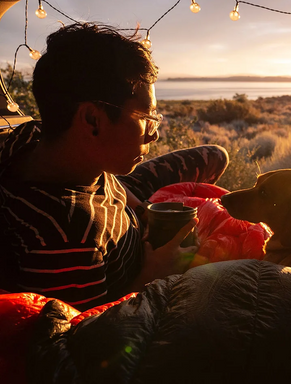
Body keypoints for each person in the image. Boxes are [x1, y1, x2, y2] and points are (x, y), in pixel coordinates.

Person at [0, 23, 229, 310]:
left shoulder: (32, 137)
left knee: (215, 155)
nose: (154, 133)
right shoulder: (66, 240)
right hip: (135, 278)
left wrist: (141, 209)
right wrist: (154, 275)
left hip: (124, 198)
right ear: (93, 120)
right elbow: (90, 334)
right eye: (145, 116)